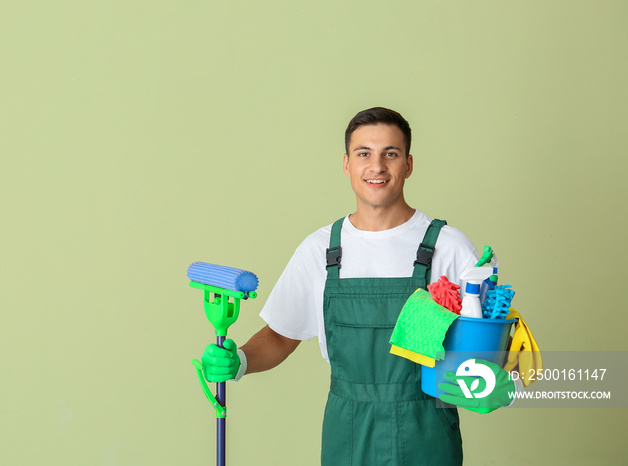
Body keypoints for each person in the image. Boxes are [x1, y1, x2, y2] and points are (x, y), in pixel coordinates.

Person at [201, 107, 517, 465]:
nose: (377, 166)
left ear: (408, 165)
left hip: (425, 432)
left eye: (390, 154)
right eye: (364, 153)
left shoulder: (450, 247)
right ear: (347, 164)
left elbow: (487, 343)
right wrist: (239, 359)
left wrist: (493, 378)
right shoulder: (320, 250)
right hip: (348, 431)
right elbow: (280, 336)